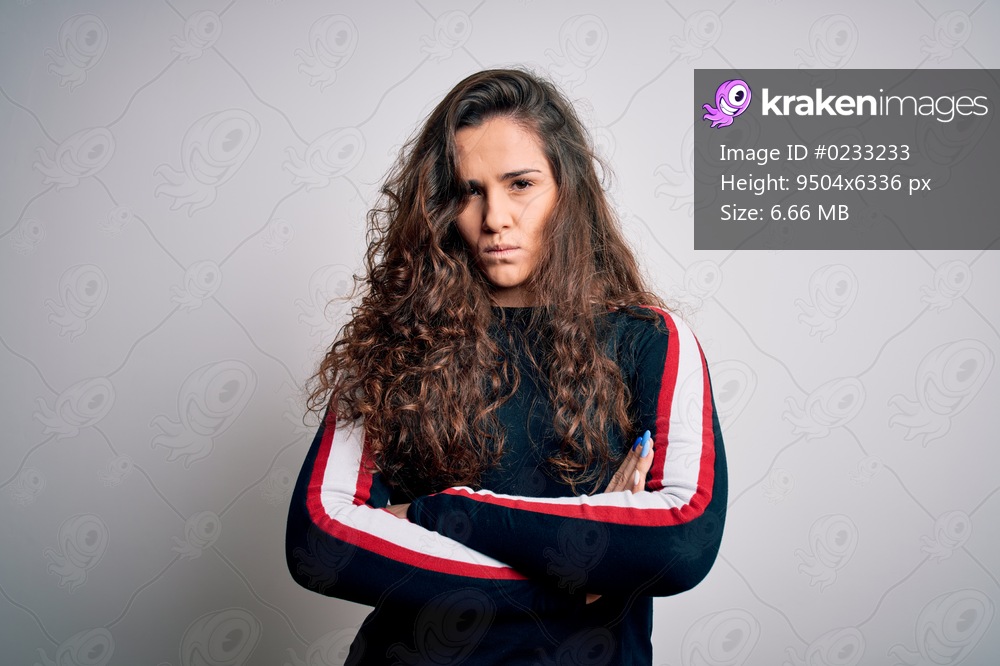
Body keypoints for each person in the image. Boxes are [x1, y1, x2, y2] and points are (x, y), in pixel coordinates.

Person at [286, 68, 727, 665]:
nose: (494, 217)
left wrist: (435, 512)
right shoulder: (398, 345)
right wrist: (582, 572)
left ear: (567, 191)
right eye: (469, 191)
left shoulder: (649, 341)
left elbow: (681, 538)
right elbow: (320, 540)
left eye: (520, 184)